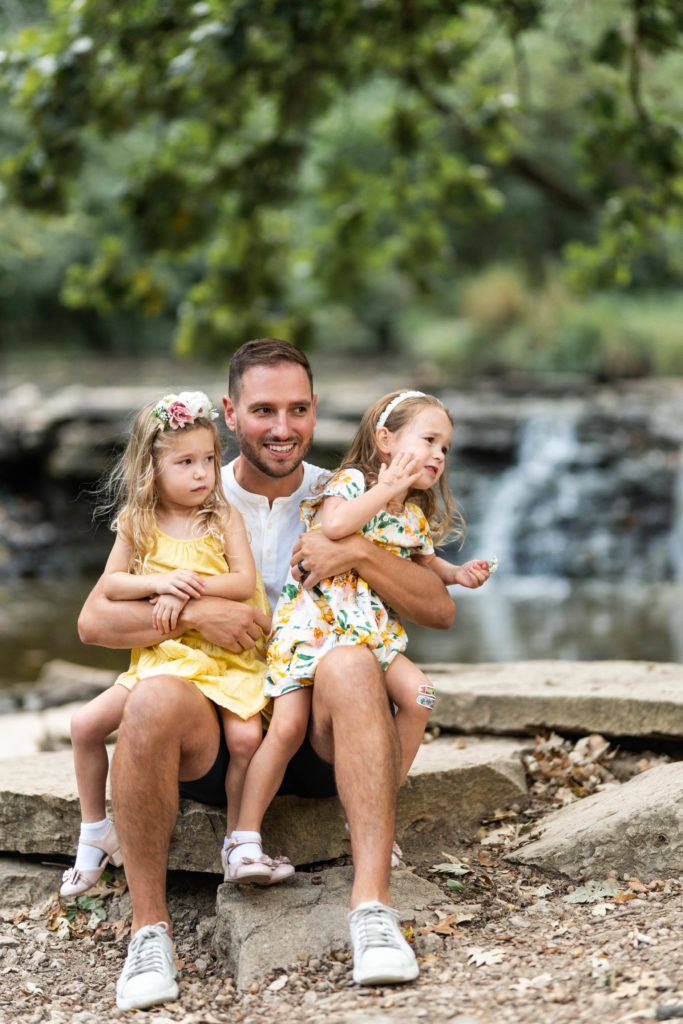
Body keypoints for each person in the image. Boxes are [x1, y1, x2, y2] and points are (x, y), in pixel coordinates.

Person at [77, 340, 457, 1011]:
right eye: (263, 410)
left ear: (315, 413)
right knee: (152, 699)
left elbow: (437, 609)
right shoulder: (189, 488)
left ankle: (371, 911)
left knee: (348, 661)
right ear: (229, 413)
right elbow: (95, 626)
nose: (282, 427)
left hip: (315, 734)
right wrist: (201, 619)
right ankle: (149, 933)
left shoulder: (346, 494)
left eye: (298, 409)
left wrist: (359, 551)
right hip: (217, 733)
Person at [226, 391, 492, 876]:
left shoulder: (412, 513)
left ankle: (373, 810)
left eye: (445, 448)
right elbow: (336, 525)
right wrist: (384, 488)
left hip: (370, 634)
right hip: (316, 627)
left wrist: (458, 574)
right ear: (385, 440)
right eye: (429, 440)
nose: (438, 454)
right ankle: (243, 838)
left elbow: (425, 563)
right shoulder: (348, 483)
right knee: (285, 728)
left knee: (422, 695)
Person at [62, 390, 285, 906]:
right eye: (185, 462)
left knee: (248, 737)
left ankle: (240, 841)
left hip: (224, 659)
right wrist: (161, 584)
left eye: (209, 458)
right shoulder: (138, 523)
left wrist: (190, 591)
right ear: (151, 468)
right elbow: (113, 586)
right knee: (83, 725)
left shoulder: (220, 515)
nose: (203, 472)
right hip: (166, 659)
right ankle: (95, 830)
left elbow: (241, 582)